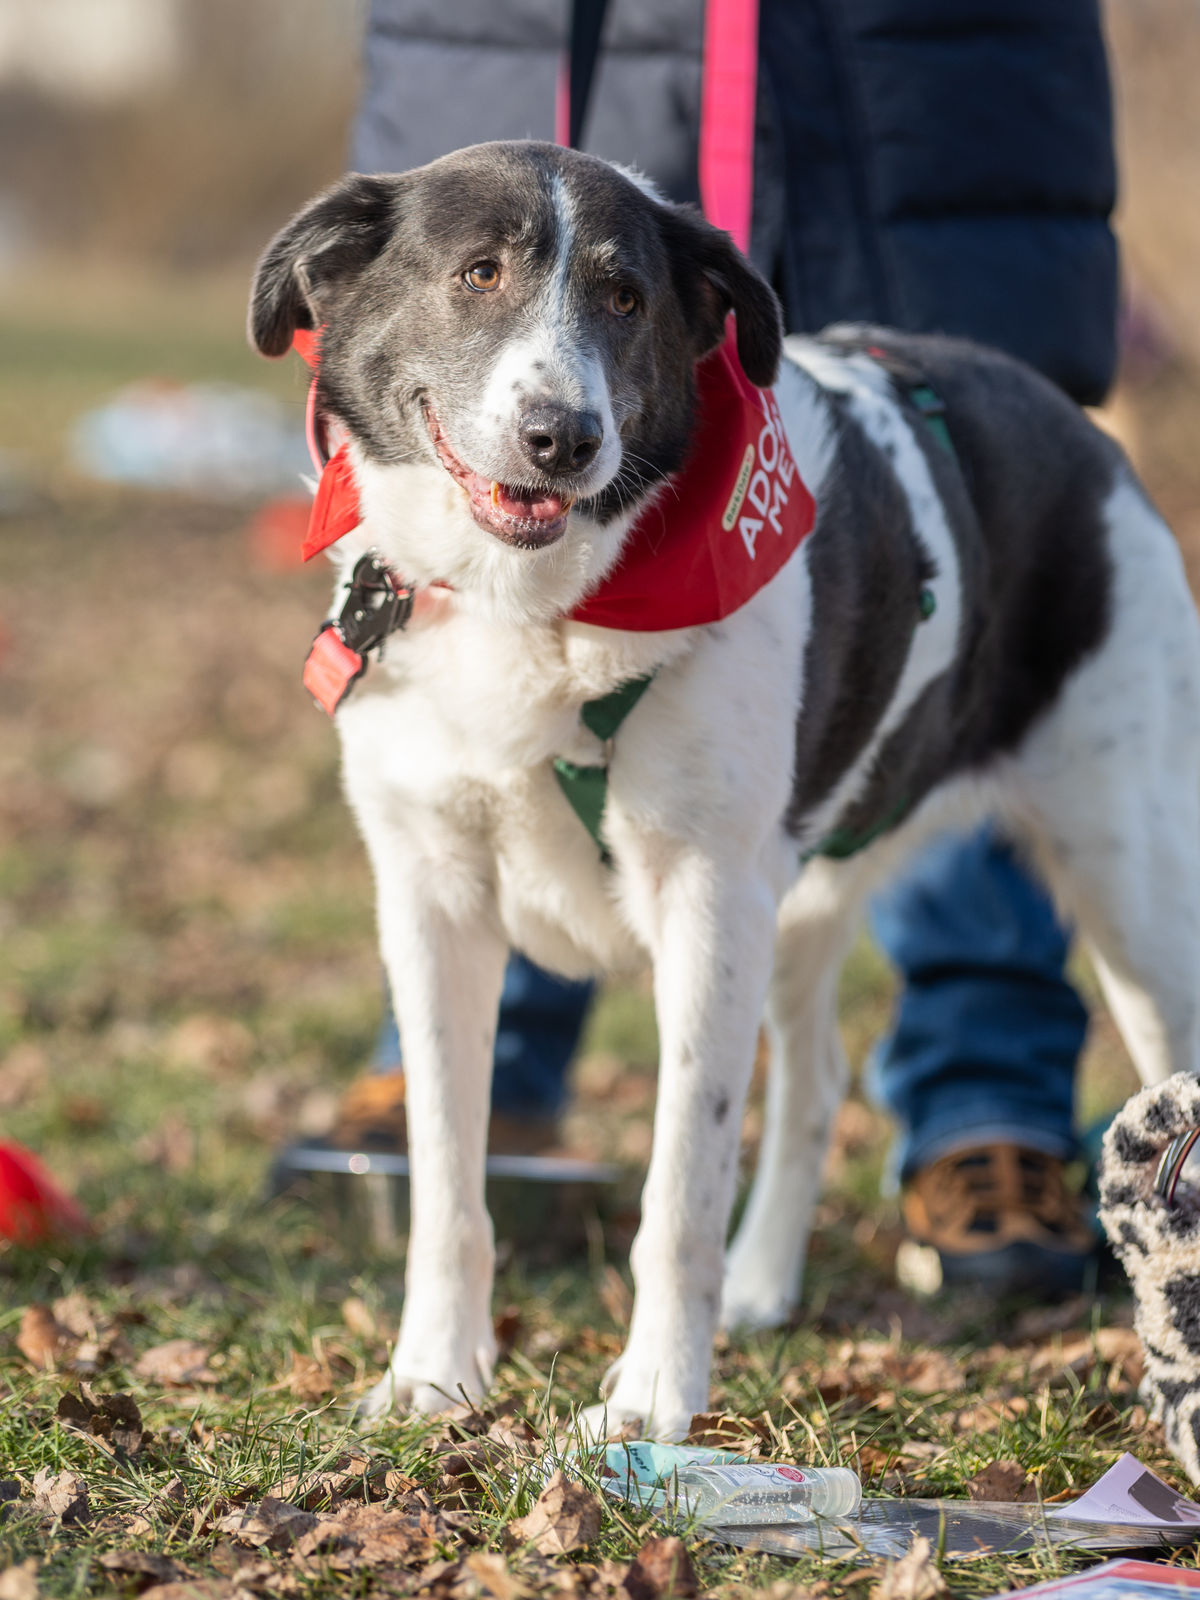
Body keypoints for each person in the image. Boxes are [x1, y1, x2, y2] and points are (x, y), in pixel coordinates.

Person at [295, 0, 1116, 1298]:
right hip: (551, 59)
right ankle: (481, 1091)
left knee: (842, 740)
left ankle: (989, 1116)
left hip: (926, 111)